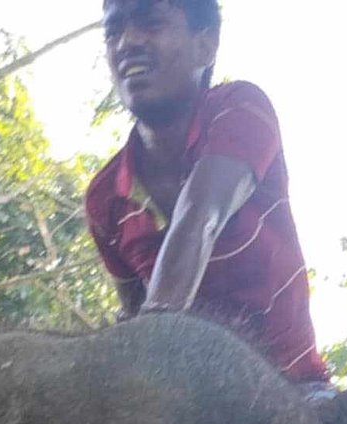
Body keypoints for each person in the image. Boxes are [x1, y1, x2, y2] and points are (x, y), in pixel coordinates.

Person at [85, 0, 330, 388]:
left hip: (294, 391)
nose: (127, 42)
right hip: (188, 407)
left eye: (151, 22)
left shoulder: (240, 109)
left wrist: (145, 352)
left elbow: (201, 217)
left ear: (207, 45)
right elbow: (135, 314)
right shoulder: (104, 199)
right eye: (113, 31)